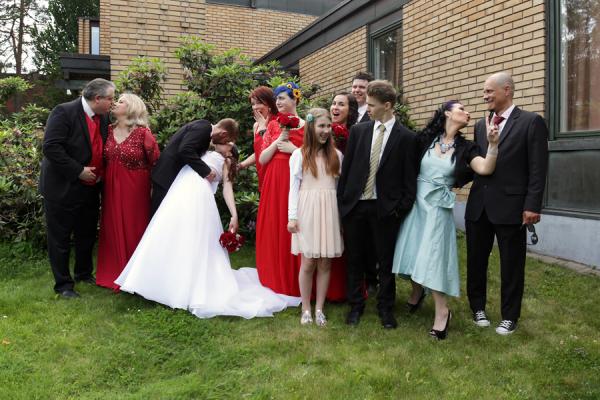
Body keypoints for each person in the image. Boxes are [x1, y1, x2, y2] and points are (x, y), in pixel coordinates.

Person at [115, 142, 301, 318]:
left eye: (230, 146)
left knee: (195, 240)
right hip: (182, 193)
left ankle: (185, 286)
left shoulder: (226, 162)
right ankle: (160, 281)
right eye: (226, 143)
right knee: (172, 236)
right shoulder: (204, 151)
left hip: (200, 199)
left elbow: (227, 188)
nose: (226, 145)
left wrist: (234, 214)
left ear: (230, 154)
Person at [392, 100, 500, 340]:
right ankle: (418, 291)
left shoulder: (467, 147)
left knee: (433, 257)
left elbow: (485, 168)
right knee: (412, 250)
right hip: (416, 203)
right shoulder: (424, 139)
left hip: (438, 208)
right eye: (462, 109)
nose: (467, 113)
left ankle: (442, 312)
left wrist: (493, 145)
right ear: (448, 113)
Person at [465, 72, 548, 335]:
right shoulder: (481, 125)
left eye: (489, 91)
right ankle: (477, 308)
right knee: (476, 260)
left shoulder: (531, 122)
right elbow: (479, 162)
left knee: (512, 264)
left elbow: (538, 168)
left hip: (511, 207)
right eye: (484, 91)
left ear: (507, 90)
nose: (485, 96)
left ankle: (509, 316)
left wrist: (532, 205)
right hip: (479, 205)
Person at [337, 80, 419, 329]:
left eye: (372, 105)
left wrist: (397, 210)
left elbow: (409, 181)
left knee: (385, 262)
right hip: (355, 206)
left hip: (385, 210)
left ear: (388, 105)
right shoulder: (359, 131)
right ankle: (355, 306)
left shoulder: (407, 138)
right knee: (355, 259)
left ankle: (386, 308)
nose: (368, 108)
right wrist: (343, 205)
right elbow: (347, 171)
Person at [39, 78, 115, 298]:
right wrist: (78, 170)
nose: (112, 103)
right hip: (62, 187)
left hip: (90, 188)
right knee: (60, 238)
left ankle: (83, 274)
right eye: (110, 99)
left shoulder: (103, 117)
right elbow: (51, 147)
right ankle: (63, 285)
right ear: (97, 98)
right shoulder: (63, 112)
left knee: (87, 234)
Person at [96, 93, 160, 291]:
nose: (115, 103)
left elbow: (156, 162)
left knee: (134, 228)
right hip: (110, 189)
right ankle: (113, 272)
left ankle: (136, 275)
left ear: (132, 107)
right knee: (111, 227)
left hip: (135, 190)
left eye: (121, 101)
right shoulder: (107, 130)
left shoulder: (143, 133)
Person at [288, 108, 344, 326]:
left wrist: (340, 218)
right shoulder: (299, 155)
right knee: (309, 261)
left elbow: (338, 190)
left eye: (329, 126)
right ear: (311, 128)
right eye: (321, 126)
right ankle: (306, 308)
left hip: (329, 210)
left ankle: (320, 308)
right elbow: (294, 188)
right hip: (307, 210)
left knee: (325, 262)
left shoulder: (337, 155)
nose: (326, 130)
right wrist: (292, 217)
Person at [255, 82, 304, 296]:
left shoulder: (307, 125)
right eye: (276, 99)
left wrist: (294, 150)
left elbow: (316, 157)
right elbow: (262, 158)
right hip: (275, 180)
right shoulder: (274, 125)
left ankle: (298, 277)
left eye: (282, 98)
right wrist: (278, 142)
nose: (278, 102)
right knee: (276, 223)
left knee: (294, 223)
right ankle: (275, 273)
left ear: (295, 99)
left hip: (297, 179)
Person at [150, 118, 239, 216]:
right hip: (166, 176)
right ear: (223, 133)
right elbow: (185, 149)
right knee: (158, 215)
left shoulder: (205, 132)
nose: (223, 143)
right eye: (226, 141)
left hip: (172, 178)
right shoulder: (204, 128)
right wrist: (207, 171)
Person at [238, 86, 278, 191]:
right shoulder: (256, 126)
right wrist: (241, 165)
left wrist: (263, 127)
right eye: (253, 104)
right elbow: (258, 152)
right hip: (262, 175)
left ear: (270, 103)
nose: (255, 107)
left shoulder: (278, 122)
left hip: (275, 175)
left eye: (259, 103)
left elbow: (273, 149)